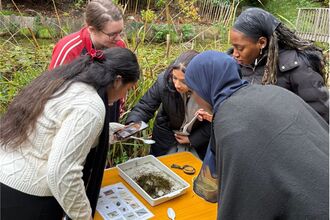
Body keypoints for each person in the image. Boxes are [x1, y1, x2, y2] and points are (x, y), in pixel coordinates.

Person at [185, 50, 329, 219]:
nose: (194, 99)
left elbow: (237, 199)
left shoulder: (229, 120)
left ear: (205, 87)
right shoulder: (274, 92)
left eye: (192, 92)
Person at [0, 47, 140, 220]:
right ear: (118, 81)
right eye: (127, 89)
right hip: (29, 197)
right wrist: (83, 216)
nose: (123, 96)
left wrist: (106, 132)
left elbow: (52, 129)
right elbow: (63, 172)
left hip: (7, 175)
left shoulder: (66, 80)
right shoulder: (90, 106)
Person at [229, 7, 329, 123]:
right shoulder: (236, 63)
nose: (234, 54)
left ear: (261, 43)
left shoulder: (296, 66)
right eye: (233, 47)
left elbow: (321, 116)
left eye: (240, 48)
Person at [49, 0, 126, 122]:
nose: (119, 38)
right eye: (113, 34)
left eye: (120, 32)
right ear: (92, 29)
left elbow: (122, 82)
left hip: (108, 111)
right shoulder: (69, 48)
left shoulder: (119, 46)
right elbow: (52, 89)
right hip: (74, 116)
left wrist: (119, 108)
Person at [126, 50, 211, 159]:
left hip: (198, 141)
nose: (177, 85)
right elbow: (146, 105)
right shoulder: (164, 82)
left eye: (184, 81)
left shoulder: (210, 90)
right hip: (166, 136)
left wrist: (193, 139)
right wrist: (133, 124)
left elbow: (216, 122)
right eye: (174, 78)